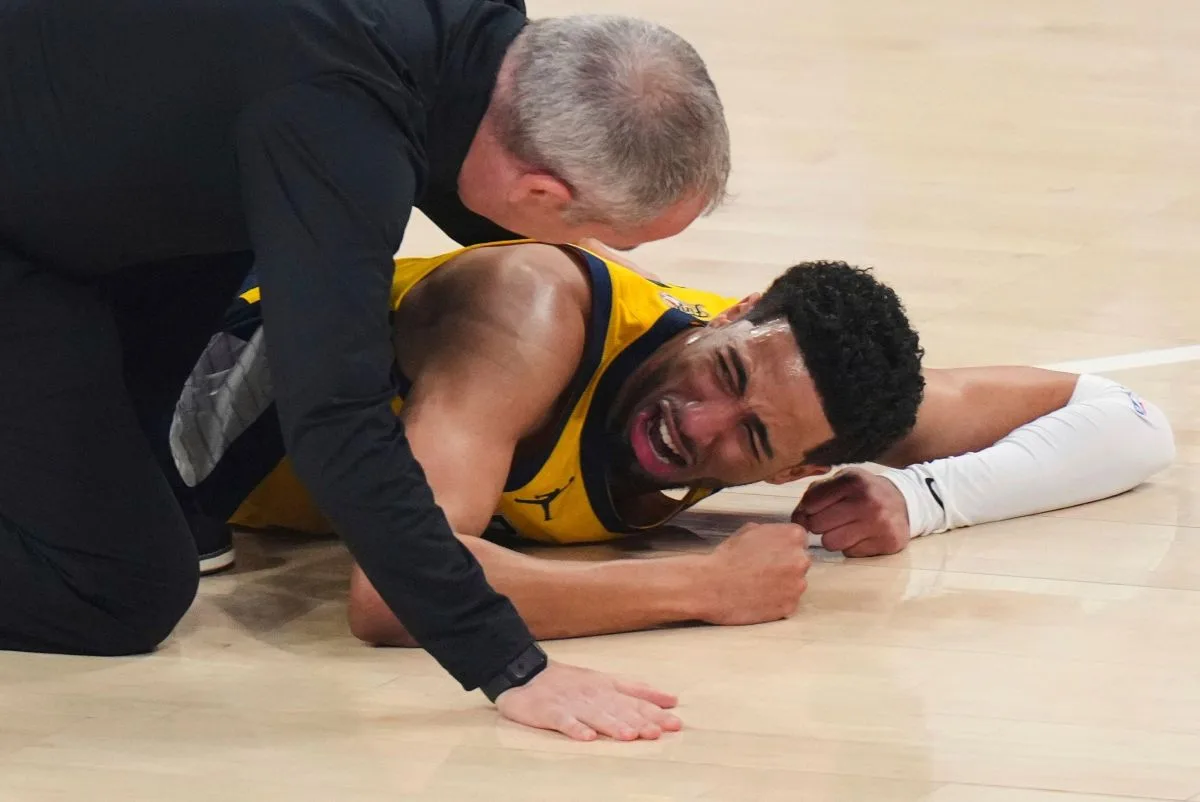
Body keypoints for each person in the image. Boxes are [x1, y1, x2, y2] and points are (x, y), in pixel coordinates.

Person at [0, 0, 732, 742]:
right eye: (603, 239)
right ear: (541, 193)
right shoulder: (341, 127)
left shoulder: (478, 40)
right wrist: (510, 663)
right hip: (29, 236)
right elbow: (335, 420)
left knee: (141, 473)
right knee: (118, 586)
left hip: (70, 156)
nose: (596, 260)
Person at [172, 240, 1177, 644]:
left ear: (801, 468)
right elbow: (397, 591)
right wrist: (699, 587)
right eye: (725, 373)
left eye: (752, 438)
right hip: (160, 397)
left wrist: (924, 500)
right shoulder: (534, 312)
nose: (694, 424)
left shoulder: (822, 407)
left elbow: (1127, 421)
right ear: (733, 311)